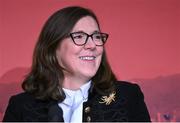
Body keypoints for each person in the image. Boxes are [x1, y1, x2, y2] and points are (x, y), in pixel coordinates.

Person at [3, 6, 151, 122]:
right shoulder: (21, 106)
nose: (92, 45)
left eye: (96, 36)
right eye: (79, 36)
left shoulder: (128, 96)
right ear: (53, 48)